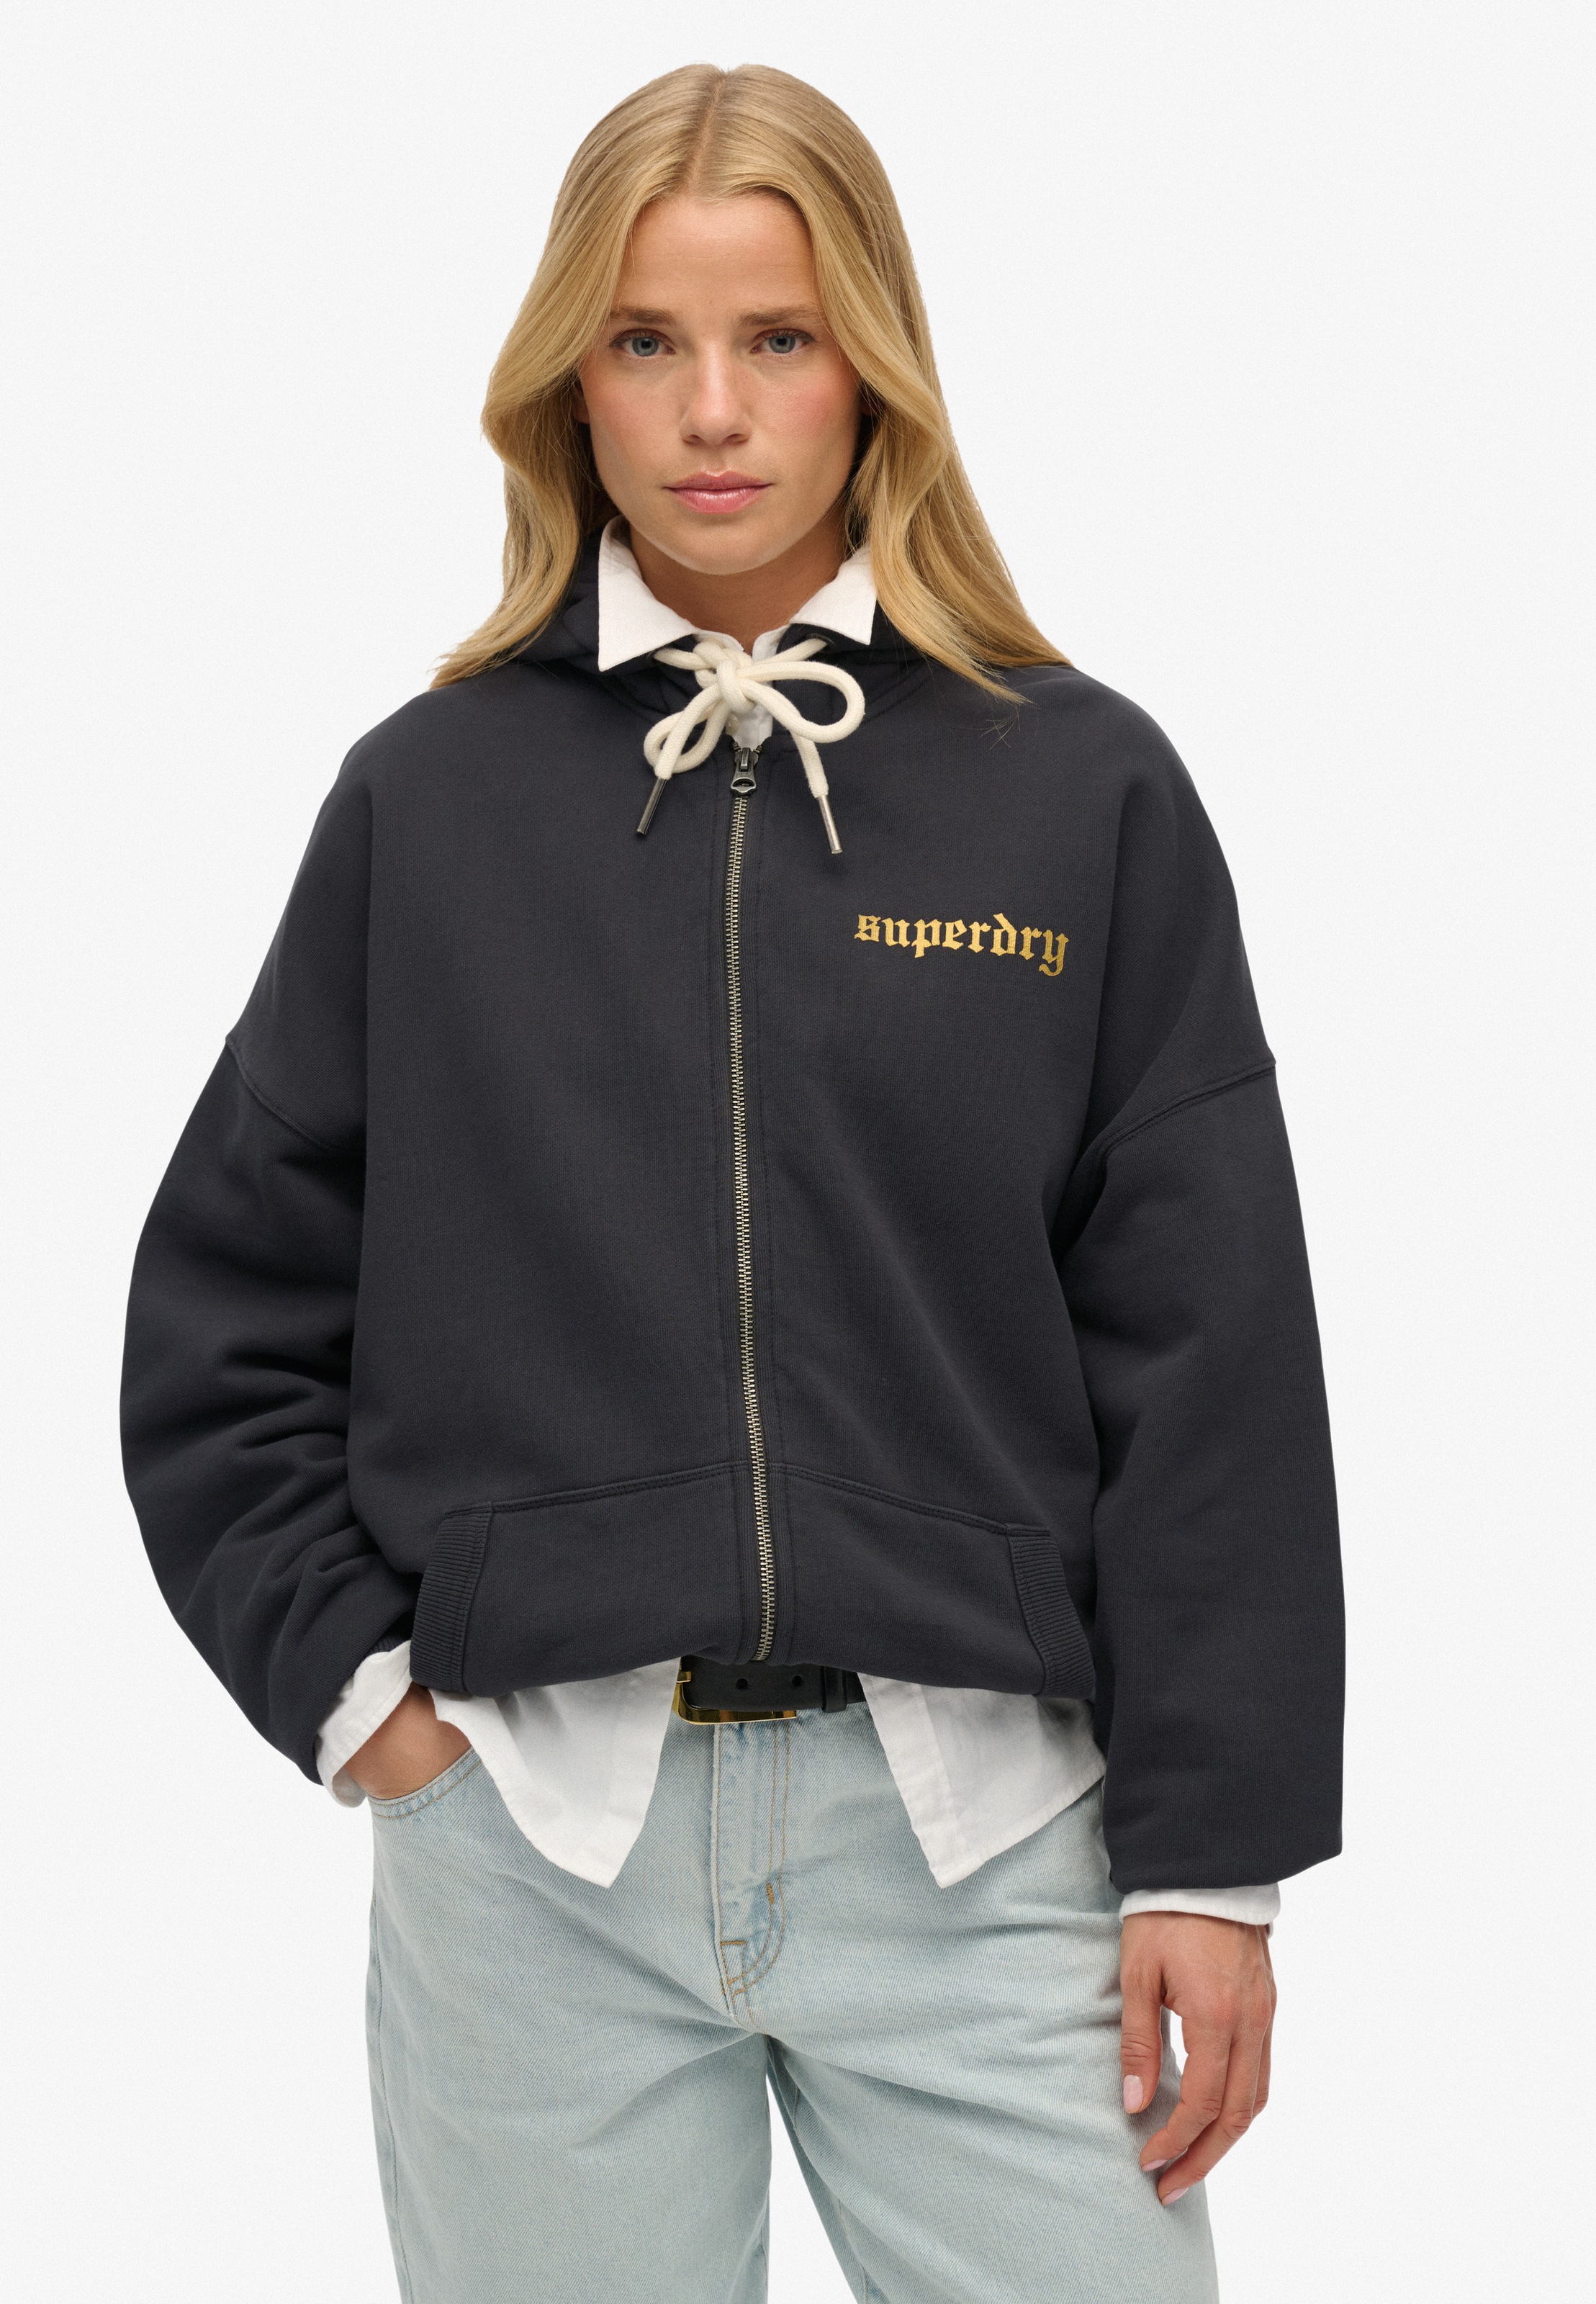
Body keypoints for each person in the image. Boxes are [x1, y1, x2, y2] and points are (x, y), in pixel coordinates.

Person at [121, 60, 1343, 2304]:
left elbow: (1209, 1357)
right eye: (643, 341)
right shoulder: (429, 802)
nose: (710, 411)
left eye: (776, 338)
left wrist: (1213, 1859)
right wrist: (377, 1718)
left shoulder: (1078, 791)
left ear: (871, 368)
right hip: (535, 1850)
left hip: (989, 1849)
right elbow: (224, 1324)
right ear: (563, 384)